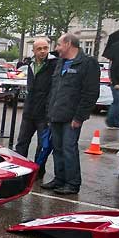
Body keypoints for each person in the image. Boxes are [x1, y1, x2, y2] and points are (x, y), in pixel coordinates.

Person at [40, 33, 100, 195]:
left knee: (69, 149)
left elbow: (90, 93)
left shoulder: (88, 63)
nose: (56, 48)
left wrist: (79, 117)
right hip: (56, 114)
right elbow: (54, 90)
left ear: (68, 44)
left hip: (72, 117)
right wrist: (49, 112)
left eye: (59, 44)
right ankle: (60, 179)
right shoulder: (61, 63)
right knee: (57, 149)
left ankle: (73, 183)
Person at [14, 38, 58, 177]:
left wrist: (50, 109)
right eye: (39, 49)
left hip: (44, 113)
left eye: (45, 48)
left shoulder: (54, 64)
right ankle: (20, 169)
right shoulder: (30, 64)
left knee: (42, 144)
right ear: (33, 51)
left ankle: (38, 171)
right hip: (29, 110)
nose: (43, 51)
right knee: (22, 142)